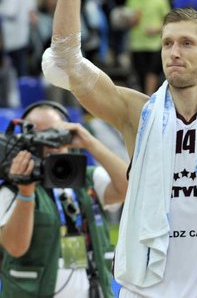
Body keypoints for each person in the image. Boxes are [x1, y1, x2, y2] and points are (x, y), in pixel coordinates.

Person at [41, 0, 197, 295]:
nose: (174, 52)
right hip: (147, 291)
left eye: (186, 43)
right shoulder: (138, 113)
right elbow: (66, 60)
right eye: (167, 43)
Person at [0, 100, 128, 298]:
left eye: (55, 134)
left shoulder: (86, 178)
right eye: (38, 137)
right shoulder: (12, 189)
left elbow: (128, 189)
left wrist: (88, 141)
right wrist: (26, 191)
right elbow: (16, 248)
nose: (50, 145)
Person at [125, 0, 171, 95]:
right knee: (141, 74)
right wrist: (132, 20)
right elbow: (128, 20)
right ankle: (145, 98)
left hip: (155, 43)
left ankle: (150, 98)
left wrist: (156, 29)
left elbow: (168, 21)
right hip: (137, 43)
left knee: (152, 72)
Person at [0, 0, 37, 77]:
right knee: (23, 69)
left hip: (11, 34)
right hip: (24, 32)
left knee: (14, 72)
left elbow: (10, 11)